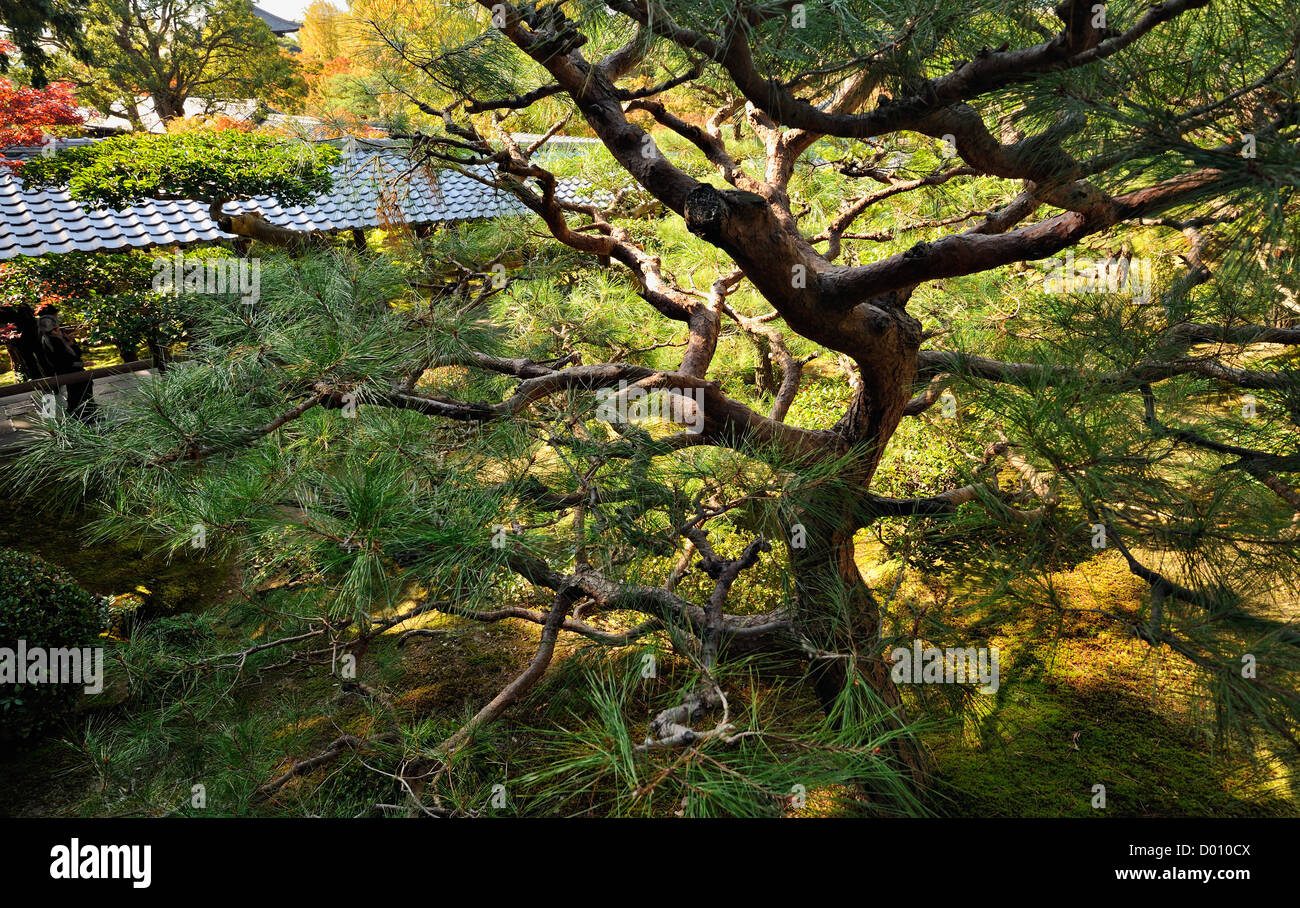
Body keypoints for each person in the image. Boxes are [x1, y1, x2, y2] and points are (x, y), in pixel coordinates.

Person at [34, 305, 96, 420]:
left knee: (80, 389)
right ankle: (83, 414)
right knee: (81, 389)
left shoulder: (48, 335)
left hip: (66, 368)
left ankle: (83, 414)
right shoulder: (51, 337)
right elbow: (66, 357)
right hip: (68, 369)